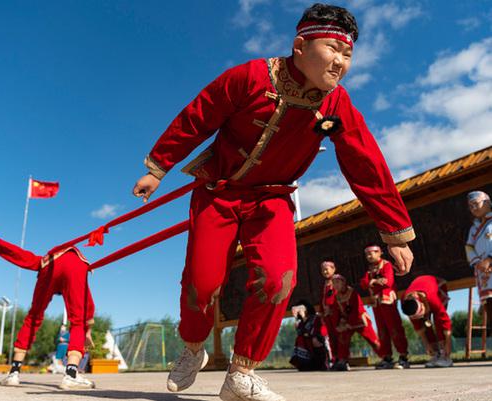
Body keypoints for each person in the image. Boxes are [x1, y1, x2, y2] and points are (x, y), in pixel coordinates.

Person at [132, 3, 414, 400]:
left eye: (348, 54)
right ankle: (193, 347)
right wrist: (158, 167)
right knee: (202, 282)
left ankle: (241, 373)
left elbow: (364, 162)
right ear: (300, 46)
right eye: (333, 49)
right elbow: (198, 116)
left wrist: (395, 232)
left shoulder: (336, 105)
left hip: (273, 200)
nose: (341, 62)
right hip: (219, 194)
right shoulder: (248, 77)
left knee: (278, 279)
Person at [0, 222, 96, 389]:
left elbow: (22, 257)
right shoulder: (74, 261)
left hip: (48, 264)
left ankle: (13, 373)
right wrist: (87, 330)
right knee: (78, 319)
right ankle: (71, 374)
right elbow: (88, 304)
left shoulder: (42, 261)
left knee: (33, 317)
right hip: (75, 262)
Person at [360, 244, 409, 369]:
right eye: (367, 254)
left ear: (380, 253)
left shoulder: (386, 265)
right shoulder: (370, 270)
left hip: (387, 300)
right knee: (381, 330)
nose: (369, 256)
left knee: (394, 327)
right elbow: (363, 283)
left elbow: (388, 281)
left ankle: (403, 356)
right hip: (376, 303)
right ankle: (387, 357)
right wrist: (375, 281)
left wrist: (373, 282)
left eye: (372, 253)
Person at [331, 274, 382, 371]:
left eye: (337, 282)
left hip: (360, 320)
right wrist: (338, 324)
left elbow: (357, 309)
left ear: (343, 283)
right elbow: (336, 312)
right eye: (334, 283)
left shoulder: (353, 293)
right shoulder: (337, 297)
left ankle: (385, 357)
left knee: (372, 339)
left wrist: (348, 324)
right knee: (343, 338)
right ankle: (343, 361)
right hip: (347, 322)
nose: (335, 285)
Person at [401, 275, 452, 368]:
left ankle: (445, 356)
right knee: (424, 323)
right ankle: (436, 354)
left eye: (422, 312)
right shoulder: (406, 302)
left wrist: (448, 343)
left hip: (436, 287)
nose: (423, 315)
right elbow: (418, 326)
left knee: (438, 320)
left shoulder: (431, 297)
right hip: (421, 289)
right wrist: (427, 345)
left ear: (422, 303)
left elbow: (444, 319)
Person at [465, 191, 492, 329]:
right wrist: (477, 262)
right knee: (490, 306)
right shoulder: (473, 229)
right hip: (483, 274)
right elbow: (469, 247)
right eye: (471, 206)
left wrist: (489, 259)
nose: (473, 208)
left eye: (476, 204)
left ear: (487, 203)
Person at [290, 300, 330, 371]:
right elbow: (300, 333)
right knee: (300, 340)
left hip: (319, 340)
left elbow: (320, 331)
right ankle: (304, 364)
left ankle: (322, 364)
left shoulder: (315, 318)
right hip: (307, 344)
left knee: (314, 340)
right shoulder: (300, 323)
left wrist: (308, 335)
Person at [319, 260, 338, 364]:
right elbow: (323, 299)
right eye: (323, 270)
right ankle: (333, 359)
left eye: (326, 269)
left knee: (338, 336)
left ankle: (342, 359)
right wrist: (321, 312)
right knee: (330, 337)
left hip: (336, 313)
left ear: (333, 269)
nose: (325, 272)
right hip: (327, 315)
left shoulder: (337, 281)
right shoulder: (325, 284)